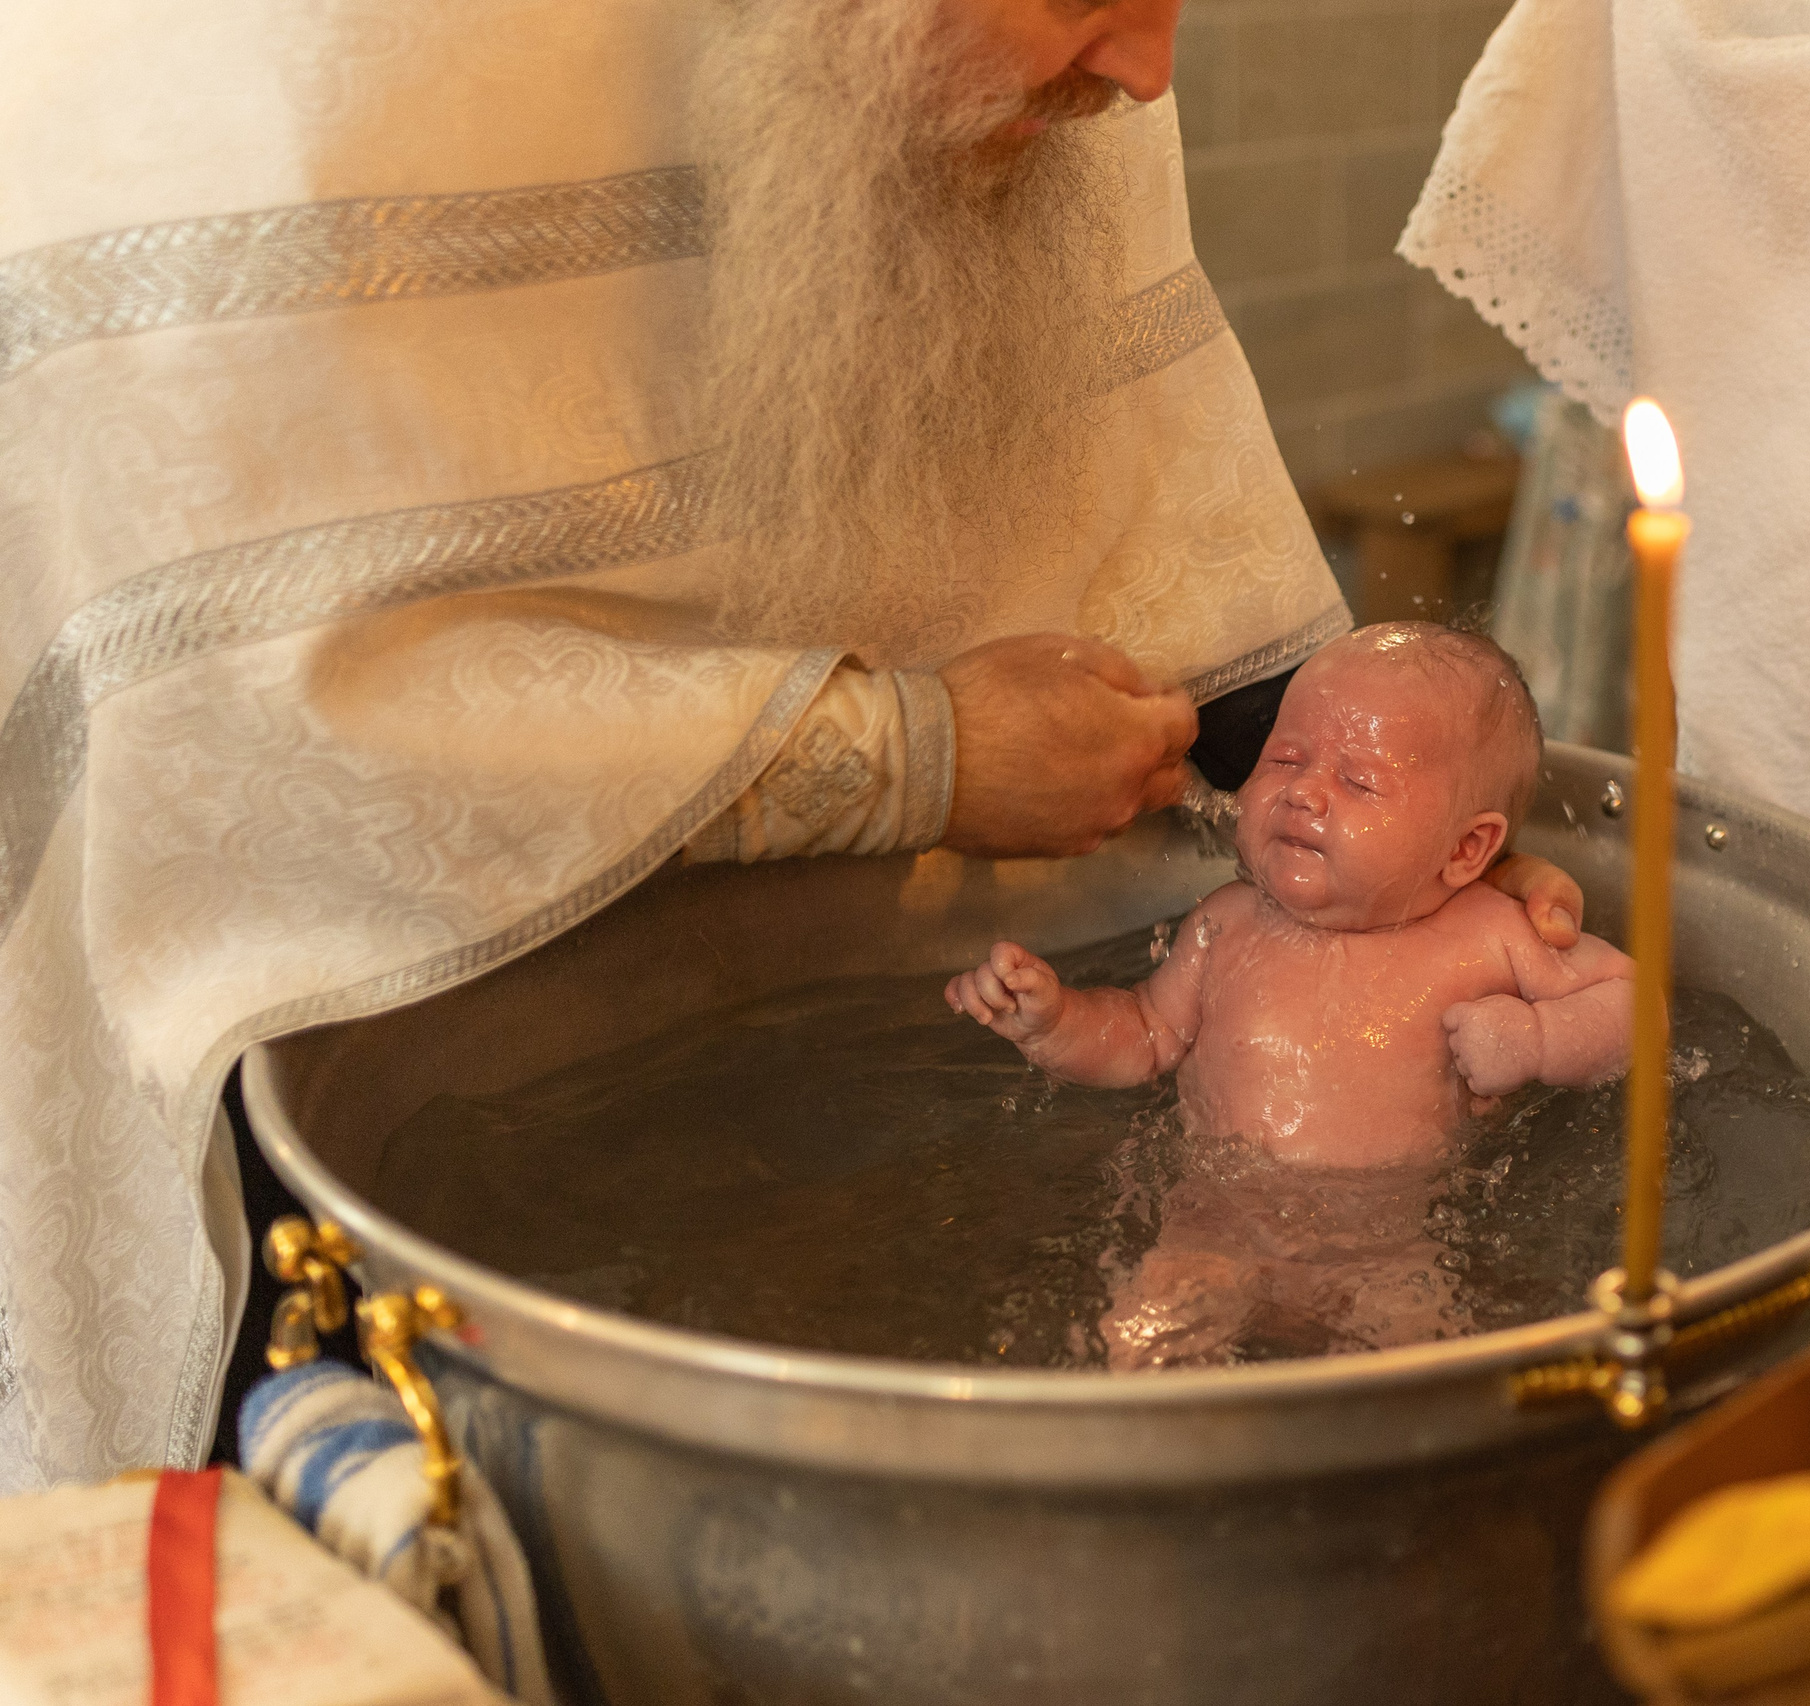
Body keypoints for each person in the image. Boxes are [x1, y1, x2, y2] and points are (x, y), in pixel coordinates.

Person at [0, 0, 1585, 1491]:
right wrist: (912, 750)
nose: (1150, 67)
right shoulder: (290, 92)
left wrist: (1424, 849)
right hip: (425, 1089)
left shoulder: (1053, 70)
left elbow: (1162, 527)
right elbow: (245, 743)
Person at [948, 625, 1634, 1368]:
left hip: (1383, 1250)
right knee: (1131, 1357)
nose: (1304, 791)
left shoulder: (1490, 938)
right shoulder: (1226, 924)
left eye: (1360, 781)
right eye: (1284, 758)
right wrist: (1053, 1021)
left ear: (1467, 849)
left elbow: (1637, 1009)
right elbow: (1144, 1034)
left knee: (1424, 1378)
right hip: (1210, 1232)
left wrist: (1536, 1040)